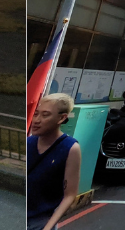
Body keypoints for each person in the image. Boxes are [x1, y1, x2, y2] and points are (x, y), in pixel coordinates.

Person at [27, 93, 81, 230]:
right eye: (36, 114)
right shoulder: (28, 142)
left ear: (61, 118)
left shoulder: (70, 148)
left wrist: (48, 226)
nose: (37, 120)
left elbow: (70, 195)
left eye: (45, 115)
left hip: (40, 222)